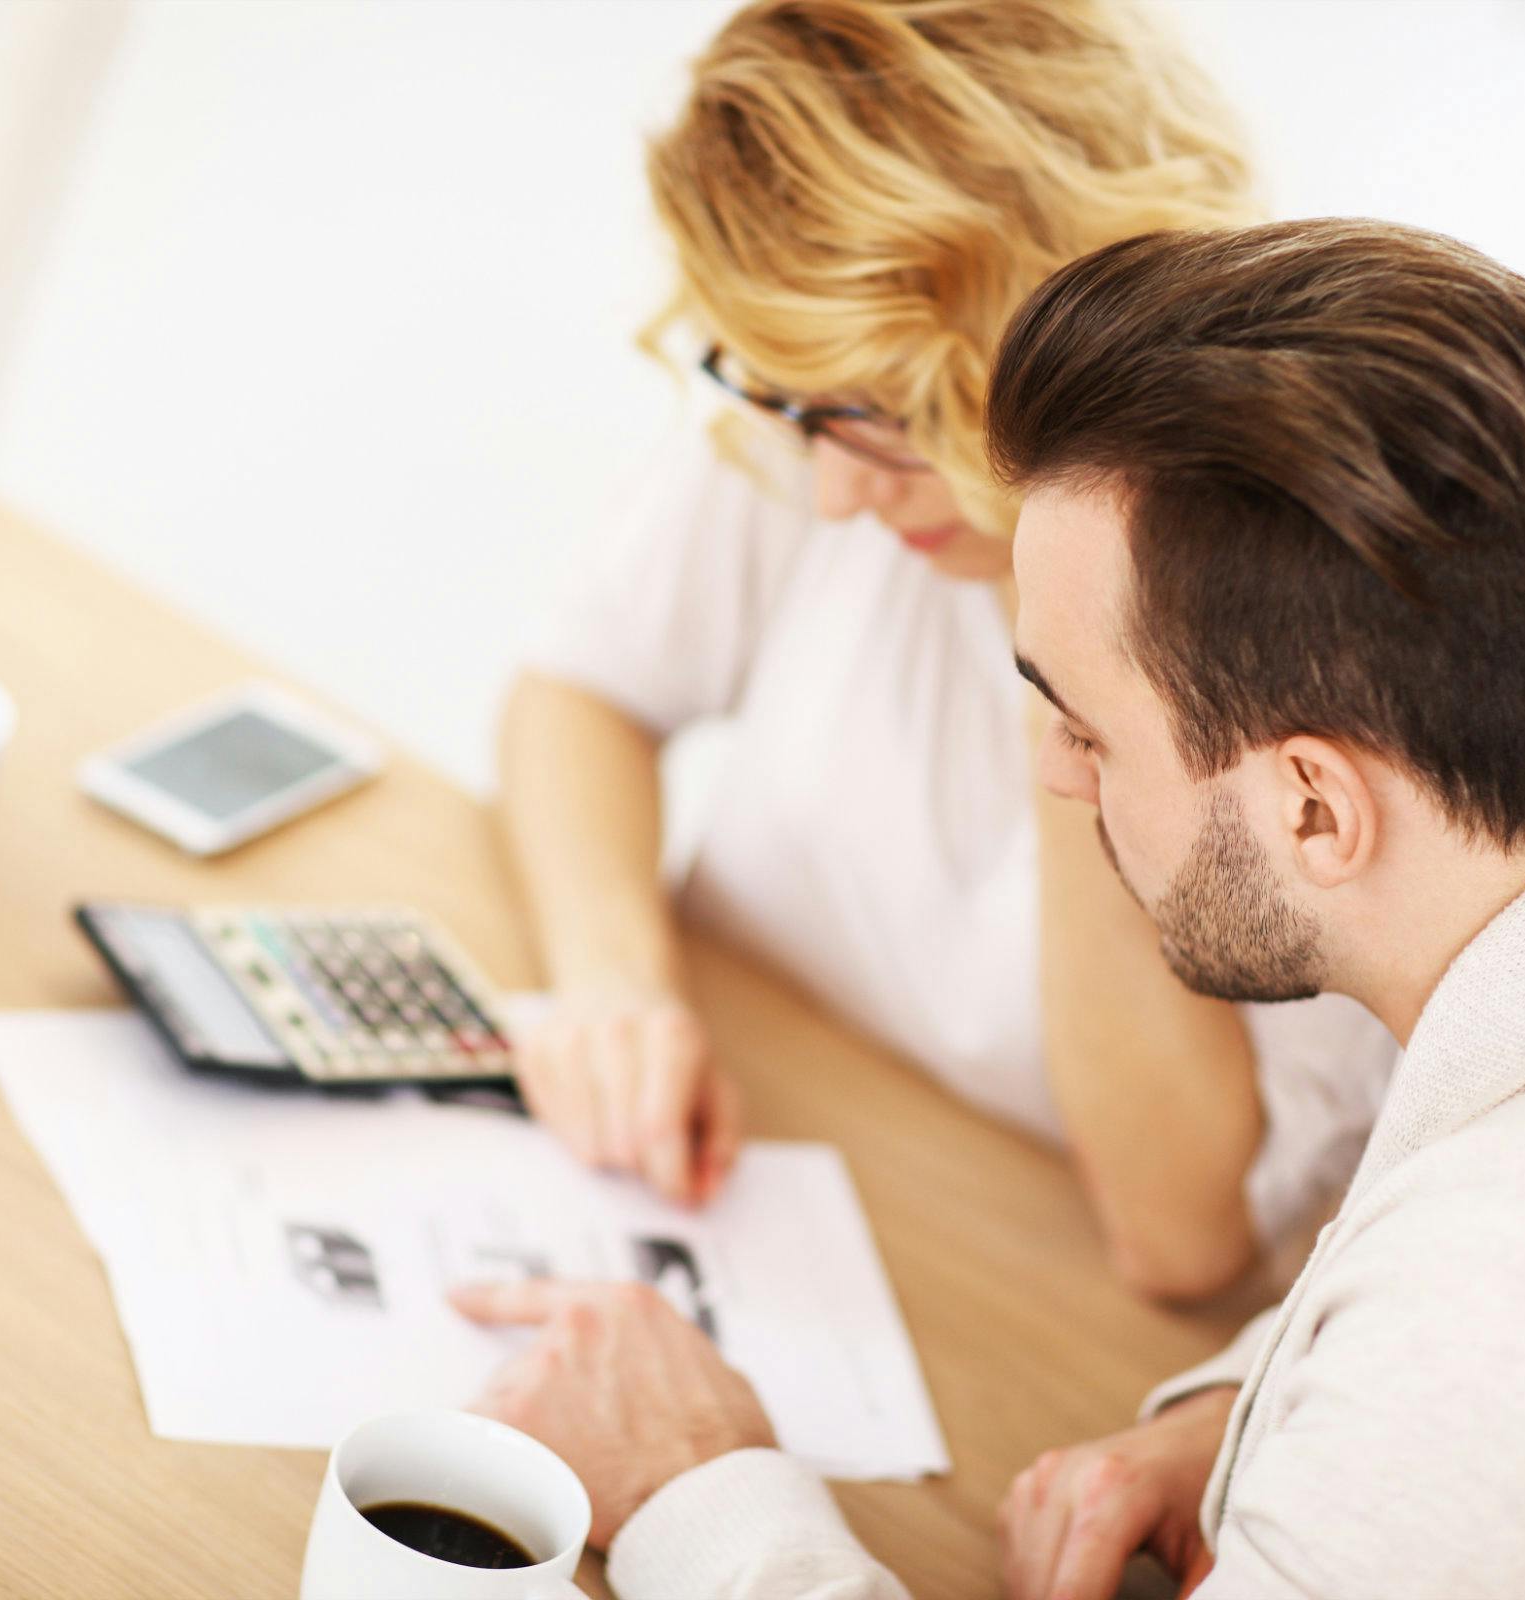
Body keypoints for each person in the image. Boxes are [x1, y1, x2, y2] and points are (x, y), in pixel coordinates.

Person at [454, 218, 1525, 1597]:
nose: (1051, 773)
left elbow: (1519, 1383)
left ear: (1312, 811)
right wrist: (1256, 1404)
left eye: (1086, 731)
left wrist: (701, 1489)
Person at [500, 0, 1399, 1300]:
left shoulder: (1307, 641)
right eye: (794, 407)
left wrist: (1076, 687)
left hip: (1011, 1285)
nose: (833, 495)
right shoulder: (828, 423)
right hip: (747, 1138)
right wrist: (616, 984)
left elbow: (1181, 1239)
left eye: (881, 417)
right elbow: (579, 690)